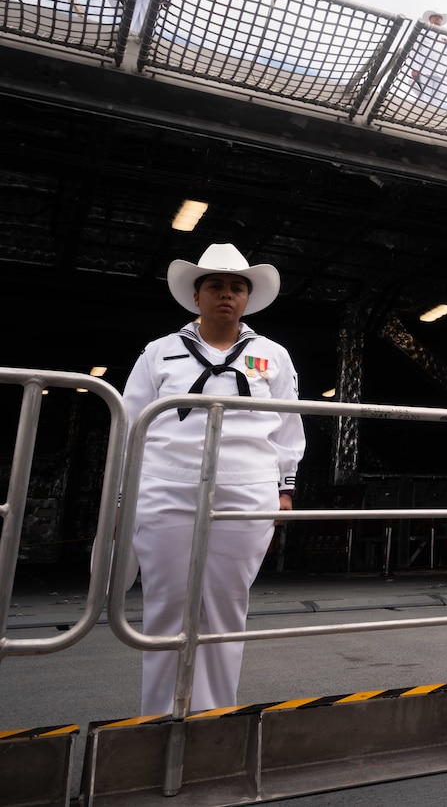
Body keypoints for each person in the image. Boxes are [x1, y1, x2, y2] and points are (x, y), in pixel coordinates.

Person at [122, 243, 303, 715]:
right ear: (197, 296)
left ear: (247, 298)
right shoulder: (158, 352)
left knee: (226, 607)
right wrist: (124, 492)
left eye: (237, 287)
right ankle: (159, 717)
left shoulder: (273, 356)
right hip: (165, 485)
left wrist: (285, 488)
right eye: (216, 286)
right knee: (167, 606)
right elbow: (130, 424)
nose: (227, 294)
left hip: (248, 488)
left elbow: (288, 427)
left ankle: (216, 717)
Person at [406, 11, 447, 107]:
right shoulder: (423, 32)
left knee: (439, 98)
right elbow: (415, 50)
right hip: (425, 69)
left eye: (440, 17)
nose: (438, 18)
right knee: (426, 95)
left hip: (442, 71)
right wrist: (415, 68)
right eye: (436, 16)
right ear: (430, 18)